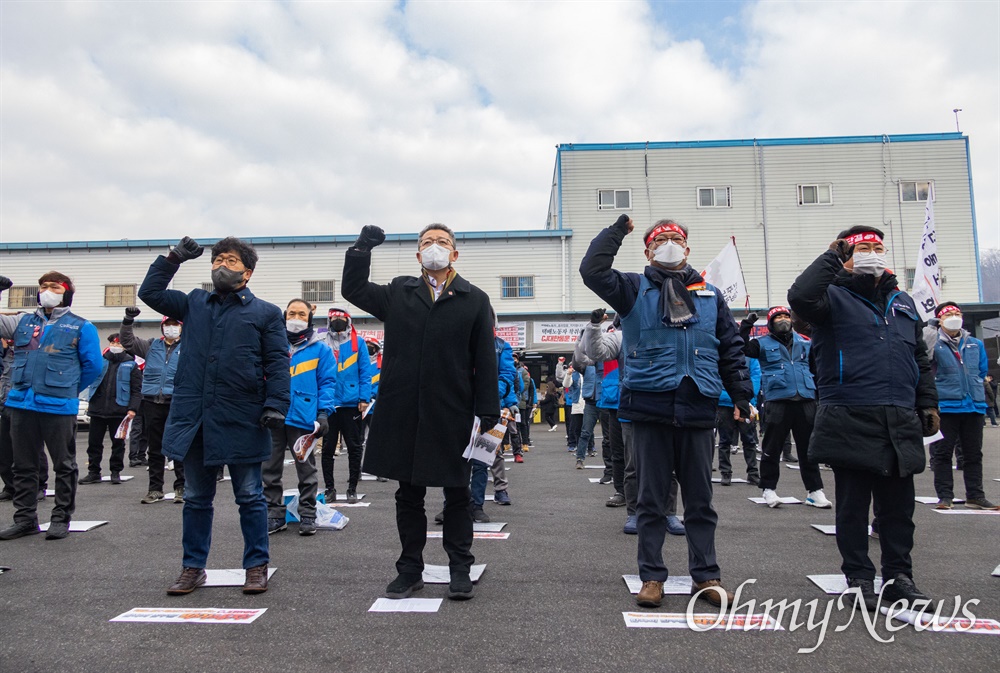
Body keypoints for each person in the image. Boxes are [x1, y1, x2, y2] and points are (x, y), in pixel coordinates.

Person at [580, 215, 752, 609]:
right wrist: (617, 230)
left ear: (688, 249)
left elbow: (730, 349)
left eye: (677, 238)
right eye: (662, 239)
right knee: (651, 500)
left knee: (700, 499)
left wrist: (741, 396)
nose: (670, 243)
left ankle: (707, 575)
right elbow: (591, 270)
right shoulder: (632, 289)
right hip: (650, 405)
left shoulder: (709, 295)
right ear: (648, 250)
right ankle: (652, 577)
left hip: (698, 404)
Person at [342, 223, 499, 601]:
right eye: (427, 242)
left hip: (454, 411)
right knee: (407, 494)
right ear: (417, 255)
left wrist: (488, 412)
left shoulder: (474, 299)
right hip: (404, 410)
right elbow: (354, 290)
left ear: (455, 254)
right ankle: (409, 569)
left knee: (458, 494)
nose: (434, 248)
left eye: (442, 242)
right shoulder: (399, 292)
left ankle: (460, 568)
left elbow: (484, 360)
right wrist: (361, 250)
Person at [788, 225, 938, 610]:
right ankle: (858, 577)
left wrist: (927, 403)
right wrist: (832, 257)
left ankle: (898, 577)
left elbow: (919, 358)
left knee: (898, 510)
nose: (872, 251)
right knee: (853, 508)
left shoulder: (903, 302)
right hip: (849, 412)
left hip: (899, 417)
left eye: (877, 246)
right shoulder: (830, 298)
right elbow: (800, 297)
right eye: (862, 247)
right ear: (846, 254)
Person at [138, 236, 290, 595]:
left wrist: (275, 405)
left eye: (231, 260)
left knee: (250, 496)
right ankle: (193, 567)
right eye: (218, 258)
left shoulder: (265, 313)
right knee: (195, 498)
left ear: (247, 273)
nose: (222, 264)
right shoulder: (193, 303)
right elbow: (150, 292)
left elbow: (277, 365)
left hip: (244, 416)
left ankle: (256, 566)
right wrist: (173, 258)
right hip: (195, 417)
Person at [0, 272, 102, 541]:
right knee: (22, 465)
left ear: (66, 291)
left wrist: (67, 388)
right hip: (21, 403)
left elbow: (93, 366)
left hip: (58, 405)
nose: (47, 290)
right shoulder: (22, 321)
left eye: (54, 286)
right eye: (43, 286)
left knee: (64, 464)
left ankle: (60, 518)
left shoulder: (82, 326)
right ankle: (25, 519)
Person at [582, 310, 685, 536]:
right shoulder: (620, 335)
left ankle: (669, 513)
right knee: (633, 464)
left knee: (669, 464)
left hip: (666, 405)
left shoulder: (670, 332)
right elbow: (594, 352)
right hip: (633, 406)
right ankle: (634, 513)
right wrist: (594, 326)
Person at [739, 306, 831, 508]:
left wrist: (819, 396)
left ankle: (815, 491)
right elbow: (739, 346)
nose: (783, 320)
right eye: (778, 317)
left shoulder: (805, 342)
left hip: (805, 399)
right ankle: (769, 489)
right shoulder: (760, 344)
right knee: (772, 447)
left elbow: (817, 369)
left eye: (786, 316)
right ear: (771, 323)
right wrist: (746, 324)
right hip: (777, 400)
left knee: (809, 449)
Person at [263, 299, 336, 536]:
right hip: (274, 414)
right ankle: (274, 515)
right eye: (291, 313)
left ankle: (308, 514)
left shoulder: (321, 349)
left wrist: (324, 413)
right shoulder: (271, 344)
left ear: (309, 319)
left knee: (306, 469)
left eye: (301, 314)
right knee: (269, 469)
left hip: (304, 417)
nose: (296, 318)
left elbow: (327, 384)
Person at [925, 302, 996, 510]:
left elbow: (982, 371)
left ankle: (975, 495)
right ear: (940, 319)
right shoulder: (933, 342)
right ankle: (945, 496)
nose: (955, 316)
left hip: (973, 405)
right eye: (949, 314)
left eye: (957, 313)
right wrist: (931, 329)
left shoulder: (975, 343)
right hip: (946, 406)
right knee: (942, 454)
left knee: (973, 454)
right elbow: (924, 360)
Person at [120, 309, 186, 504]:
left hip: (177, 402)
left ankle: (182, 487)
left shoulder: (189, 347)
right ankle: (155, 489)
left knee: (180, 446)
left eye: (175, 324)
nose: (171, 328)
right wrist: (128, 320)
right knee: (155, 448)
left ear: (182, 327)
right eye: (168, 324)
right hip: (152, 402)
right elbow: (127, 341)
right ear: (162, 327)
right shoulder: (151, 346)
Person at [321, 307, 372, 505]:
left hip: (351, 404)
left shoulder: (357, 343)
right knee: (327, 449)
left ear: (348, 320)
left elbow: (365, 373)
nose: (337, 321)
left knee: (354, 447)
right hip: (329, 403)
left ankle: (352, 488)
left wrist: (363, 398)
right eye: (334, 318)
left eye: (341, 318)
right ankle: (329, 488)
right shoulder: (323, 342)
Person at [78, 333, 141, 485]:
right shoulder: (100, 361)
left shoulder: (131, 364)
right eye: (113, 342)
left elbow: (137, 389)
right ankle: (94, 472)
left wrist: (132, 408)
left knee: (118, 444)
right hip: (97, 409)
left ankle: (115, 472)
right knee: (94, 443)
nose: (115, 346)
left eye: (119, 343)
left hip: (119, 410)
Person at [714, 357, 761, 487]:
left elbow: (756, 378)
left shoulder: (751, 359)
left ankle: (753, 473)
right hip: (726, 402)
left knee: (749, 439)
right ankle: (726, 473)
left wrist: (745, 398)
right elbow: (717, 378)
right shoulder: (721, 356)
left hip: (744, 402)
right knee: (725, 440)